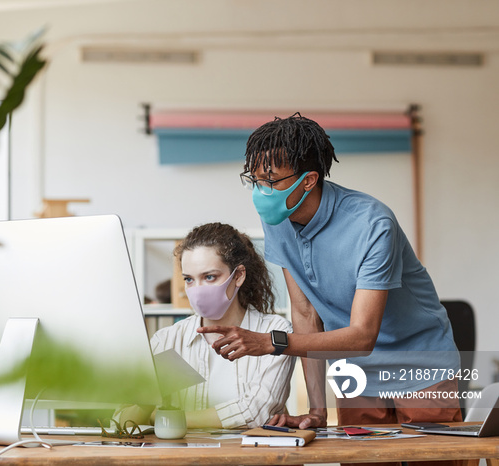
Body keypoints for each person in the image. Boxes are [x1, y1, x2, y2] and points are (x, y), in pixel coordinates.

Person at [198, 114, 464, 464]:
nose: (260, 191)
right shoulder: (278, 217)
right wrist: (317, 410)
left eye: (271, 180)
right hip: (357, 375)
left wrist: (270, 343)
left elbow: (362, 335)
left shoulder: (372, 224)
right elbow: (306, 313)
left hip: (421, 366)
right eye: (255, 179)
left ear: (308, 180)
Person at [149, 222, 295, 429]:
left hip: (251, 459)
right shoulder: (168, 340)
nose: (198, 289)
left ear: (238, 276)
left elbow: (255, 413)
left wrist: (161, 418)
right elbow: (134, 409)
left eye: (210, 277)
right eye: (189, 279)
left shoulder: (274, 332)